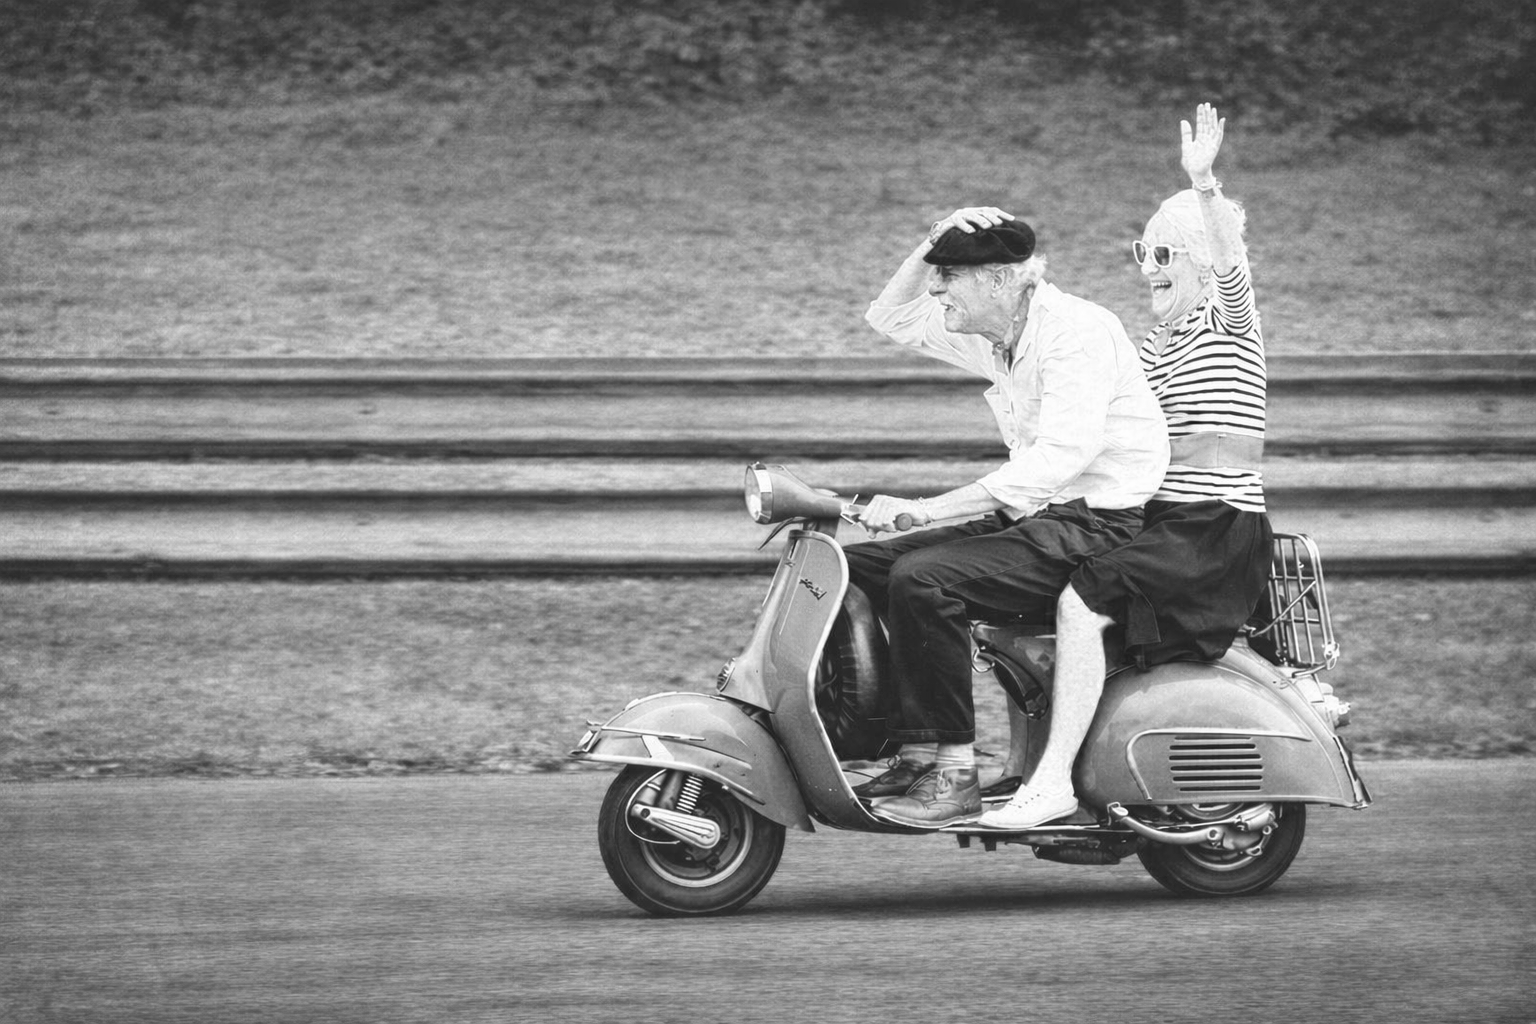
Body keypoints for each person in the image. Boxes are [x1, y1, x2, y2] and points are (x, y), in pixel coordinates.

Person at [977, 102, 1275, 830]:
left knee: (1082, 600)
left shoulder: (1228, 327)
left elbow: (1233, 268)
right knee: (1011, 596)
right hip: (1156, 523)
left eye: (1165, 254)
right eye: (1142, 254)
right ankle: (1030, 765)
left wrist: (1203, 186)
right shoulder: (1148, 350)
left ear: (1200, 263)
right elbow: (1093, 439)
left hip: (1213, 530)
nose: (1150, 269)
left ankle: (1053, 786)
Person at [845, 207, 1168, 828]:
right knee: (853, 568)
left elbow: (1059, 459)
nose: (934, 288)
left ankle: (956, 772)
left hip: (1092, 527)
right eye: (936, 275)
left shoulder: (1075, 331)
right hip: (1036, 518)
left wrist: (928, 509)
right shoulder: (998, 332)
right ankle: (915, 752)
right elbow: (888, 316)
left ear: (997, 280)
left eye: (948, 276)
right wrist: (934, 237)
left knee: (924, 576)